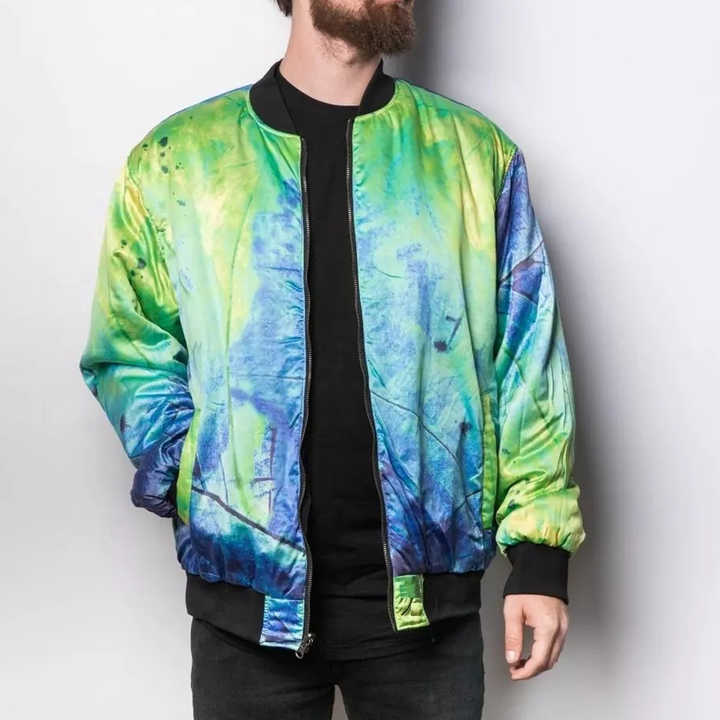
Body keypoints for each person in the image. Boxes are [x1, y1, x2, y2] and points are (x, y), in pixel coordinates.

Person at [79, 0, 586, 717]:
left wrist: (540, 556)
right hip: (245, 610)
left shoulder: (474, 157)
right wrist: (196, 476)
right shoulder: (178, 161)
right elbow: (129, 351)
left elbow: (528, 364)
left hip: (425, 609)